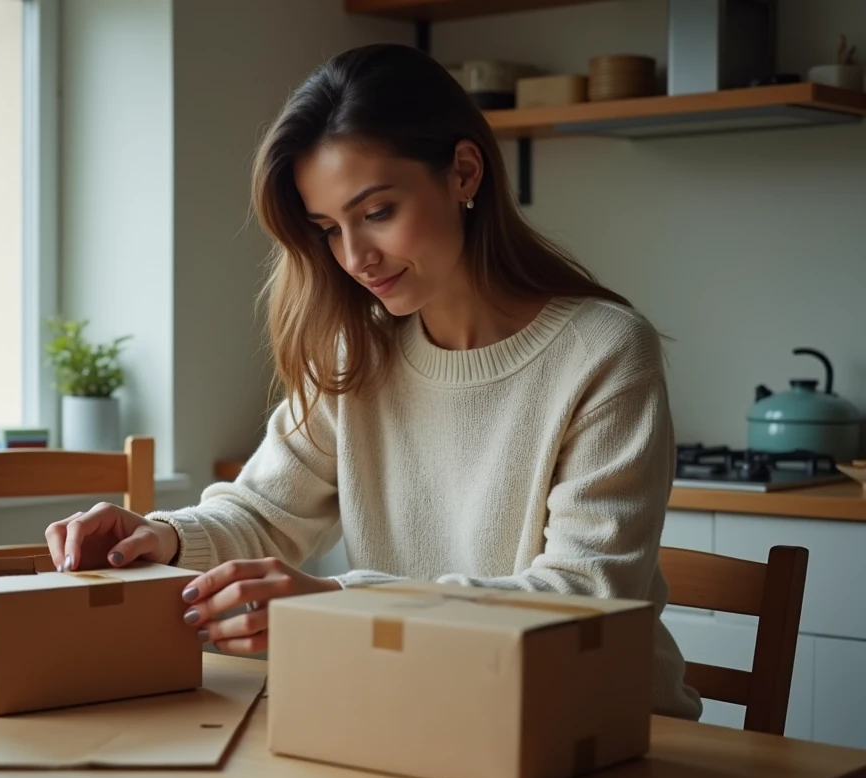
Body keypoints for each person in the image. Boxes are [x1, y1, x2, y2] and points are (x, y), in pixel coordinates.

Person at [44, 42, 702, 720]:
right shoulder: (353, 352)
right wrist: (160, 538)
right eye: (328, 228)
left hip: (600, 723)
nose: (355, 257)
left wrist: (340, 603)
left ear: (464, 172)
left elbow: (586, 596)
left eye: (378, 212)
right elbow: (263, 513)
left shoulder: (603, 349)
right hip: (426, 709)